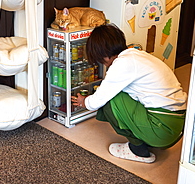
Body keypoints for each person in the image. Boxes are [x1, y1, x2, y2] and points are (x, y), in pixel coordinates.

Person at [71, 24, 187, 163]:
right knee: (118, 94)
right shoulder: (137, 55)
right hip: (176, 126)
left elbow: (97, 101)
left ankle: (138, 150)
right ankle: (146, 139)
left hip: (162, 130)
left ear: (104, 55)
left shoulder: (122, 64)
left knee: (110, 99)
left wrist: (84, 101)